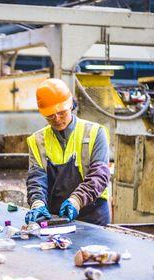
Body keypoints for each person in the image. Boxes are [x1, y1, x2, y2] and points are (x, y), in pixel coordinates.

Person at [24, 78, 111, 226]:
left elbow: (99, 175)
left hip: (93, 216)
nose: (57, 119)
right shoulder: (37, 140)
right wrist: (37, 203)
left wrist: (76, 201)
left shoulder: (95, 133)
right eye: (50, 115)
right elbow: (36, 178)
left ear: (70, 105)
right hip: (56, 217)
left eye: (61, 113)